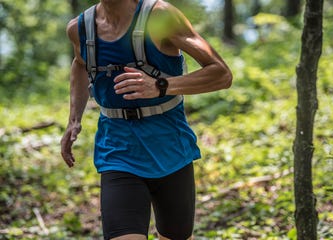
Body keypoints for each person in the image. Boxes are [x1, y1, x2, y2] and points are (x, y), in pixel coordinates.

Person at [60, 0, 232, 239]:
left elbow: (221, 74)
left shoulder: (160, 16)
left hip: (170, 149)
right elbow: (80, 64)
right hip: (117, 151)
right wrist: (73, 119)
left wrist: (160, 85)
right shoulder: (80, 28)